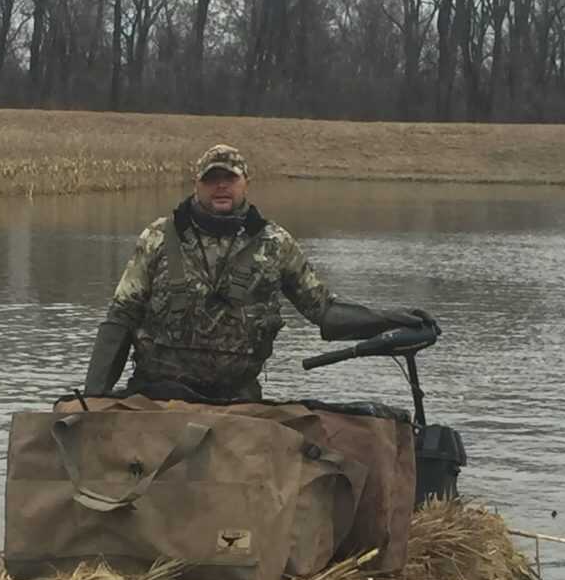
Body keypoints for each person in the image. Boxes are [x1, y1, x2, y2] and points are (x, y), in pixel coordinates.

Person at [84, 143, 434, 401]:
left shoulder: (276, 243)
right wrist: (94, 398)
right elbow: (121, 316)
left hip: (238, 398)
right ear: (197, 184)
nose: (221, 186)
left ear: (245, 183)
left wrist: (391, 320)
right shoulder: (159, 236)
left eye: (229, 179)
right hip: (157, 395)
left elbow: (324, 312)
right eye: (212, 179)